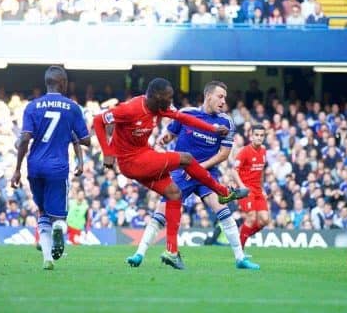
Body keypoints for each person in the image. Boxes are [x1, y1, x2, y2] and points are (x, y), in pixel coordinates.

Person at [92, 78, 249, 267]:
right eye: (169, 97)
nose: (171, 101)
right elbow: (98, 120)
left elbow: (185, 119)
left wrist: (212, 128)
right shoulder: (130, 109)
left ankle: (172, 252)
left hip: (157, 159)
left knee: (173, 193)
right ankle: (224, 192)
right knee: (186, 158)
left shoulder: (160, 108)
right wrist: (107, 152)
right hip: (133, 161)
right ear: (157, 97)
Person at [11, 66, 91, 270]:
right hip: (57, 167)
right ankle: (58, 228)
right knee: (59, 216)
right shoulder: (72, 107)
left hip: (34, 167)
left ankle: (47, 259)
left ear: (47, 83)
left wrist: (17, 169)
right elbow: (84, 140)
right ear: (63, 83)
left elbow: (25, 139)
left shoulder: (32, 106)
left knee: (42, 212)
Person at [233, 124, 268, 248]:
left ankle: (240, 237)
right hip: (246, 189)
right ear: (251, 136)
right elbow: (234, 171)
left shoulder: (264, 151)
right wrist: (242, 186)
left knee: (264, 220)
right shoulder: (244, 151)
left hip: (258, 190)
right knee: (251, 216)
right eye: (256, 135)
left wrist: (262, 188)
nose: (259, 138)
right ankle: (239, 250)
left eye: (261, 135)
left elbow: (261, 171)